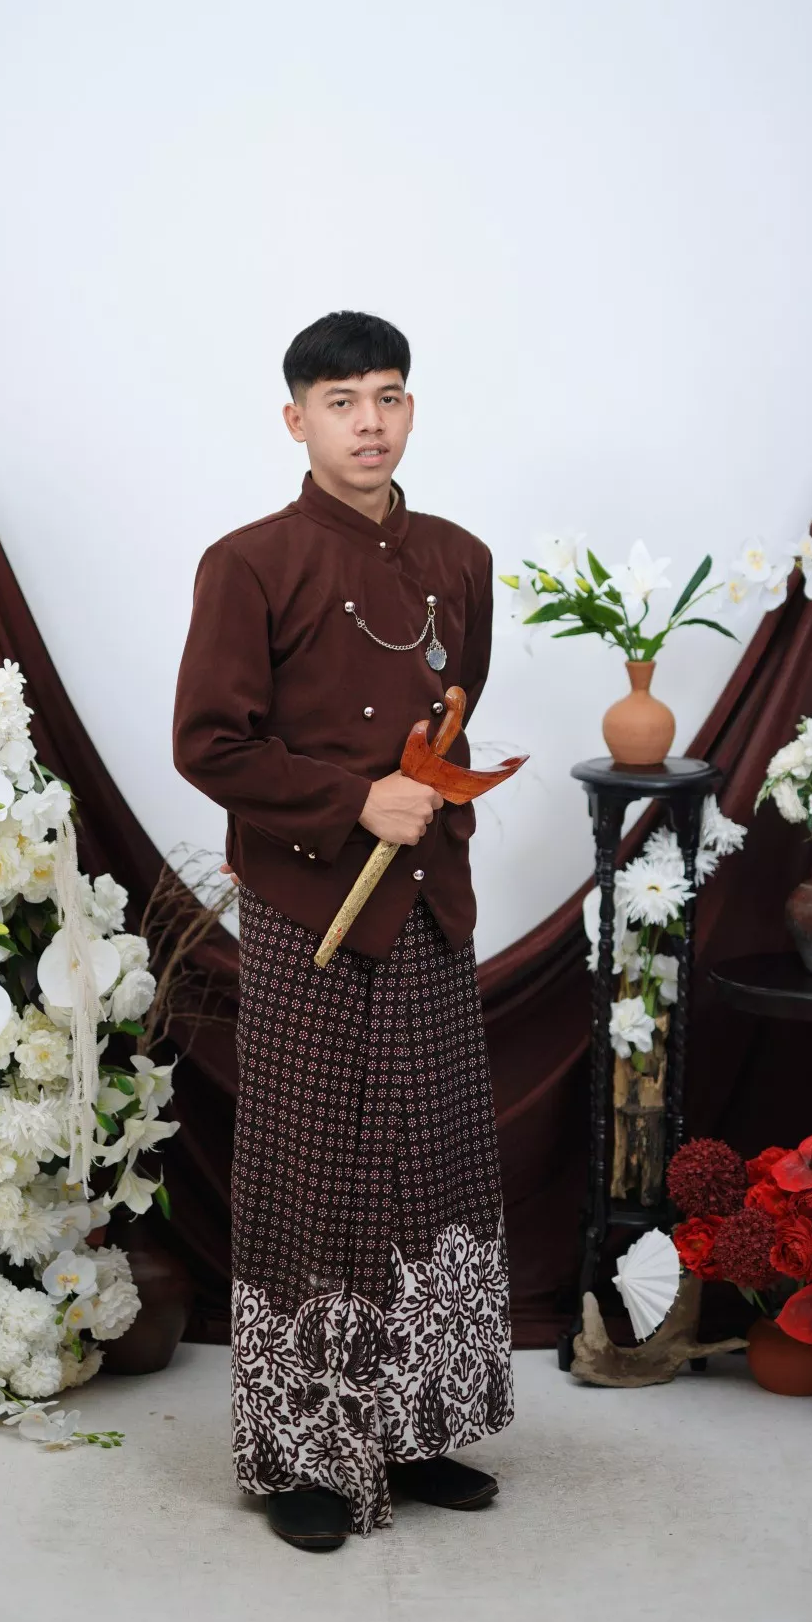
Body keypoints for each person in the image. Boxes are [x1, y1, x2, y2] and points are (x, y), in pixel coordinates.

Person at [172, 310, 513, 1551]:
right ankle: (305, 1458)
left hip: (428, 901)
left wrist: (422, 799)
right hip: (309, 903)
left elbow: (456, 713)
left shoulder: (461, 556)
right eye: (341, 401)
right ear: (295, 419)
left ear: (410, 407)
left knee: (431, 1159)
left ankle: (413, 1433)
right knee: (313, 1170)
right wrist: (350, 802)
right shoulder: (248, 563)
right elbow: (208, 744)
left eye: (389, 395)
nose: (370, 423)